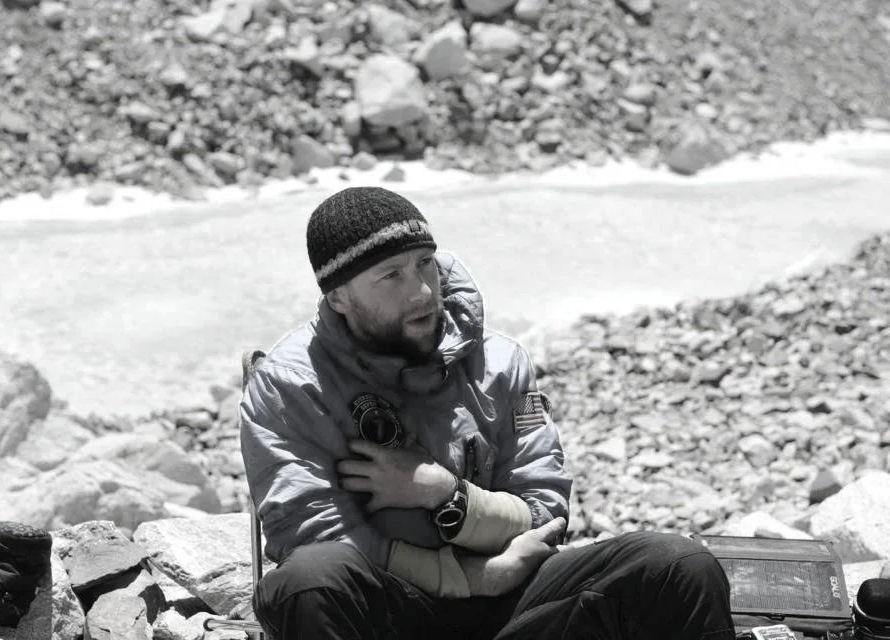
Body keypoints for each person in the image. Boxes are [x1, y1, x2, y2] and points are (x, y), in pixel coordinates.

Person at [239, 186, 735, 640]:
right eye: (391, 275)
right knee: (309, 581)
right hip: (390, 614)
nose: (422, 292)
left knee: (677, 564)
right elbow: (314, 536)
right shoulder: (290, 385)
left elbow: (544, 508)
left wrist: (445, 494)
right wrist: (471, 577)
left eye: (425, 263)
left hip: (511, 604)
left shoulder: (499, 361)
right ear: (339, 296)